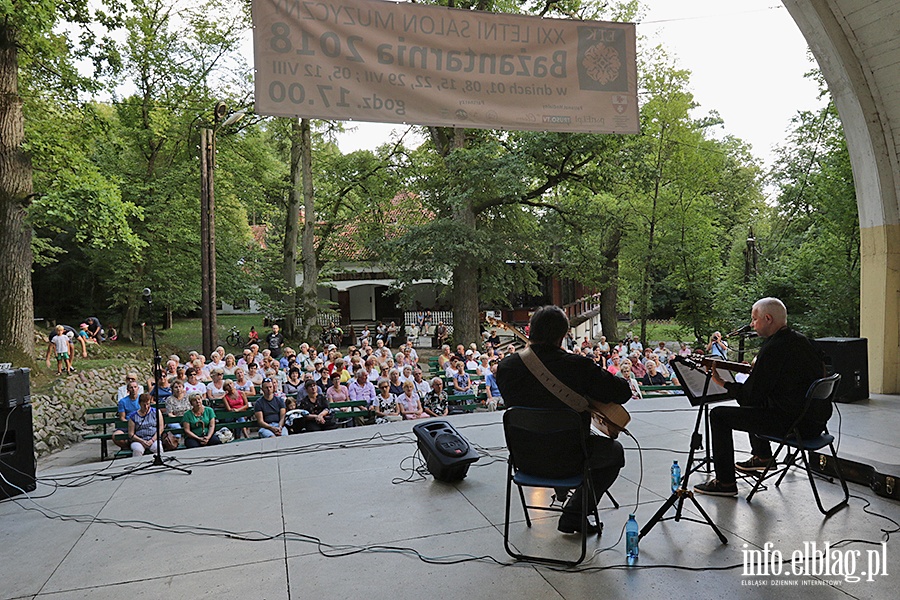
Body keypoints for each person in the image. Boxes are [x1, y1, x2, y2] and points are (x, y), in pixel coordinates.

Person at [496, 305, 632, 535]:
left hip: (525, 458)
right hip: (572, 457)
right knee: (614, 452)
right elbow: (623, 393)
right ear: (563, 335)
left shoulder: (506, 367)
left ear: (531, 332)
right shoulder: (578, 366)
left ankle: (571, 508)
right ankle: (575, 513)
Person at [694, 298, 828, 497]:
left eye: (755, 319)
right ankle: (762, 456)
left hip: (794, 425)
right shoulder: (802, 341)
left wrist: (722, 382)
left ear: (768, 319)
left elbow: (750, 397)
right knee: (761, 404)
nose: (752, 324)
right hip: (814, 421)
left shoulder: (773, 348)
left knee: (719, 415)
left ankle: (725, 482)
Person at [112, 381, 143, 450]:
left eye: (135, 387)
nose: (133, 389)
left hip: (141, 423)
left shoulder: (142, 399)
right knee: (115, 436)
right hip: (128, 424)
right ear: (128, 390)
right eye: (131, 387)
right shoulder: (123, 401)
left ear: (138, 388)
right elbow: (122, 417)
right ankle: (127, 446)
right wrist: (130, 424)